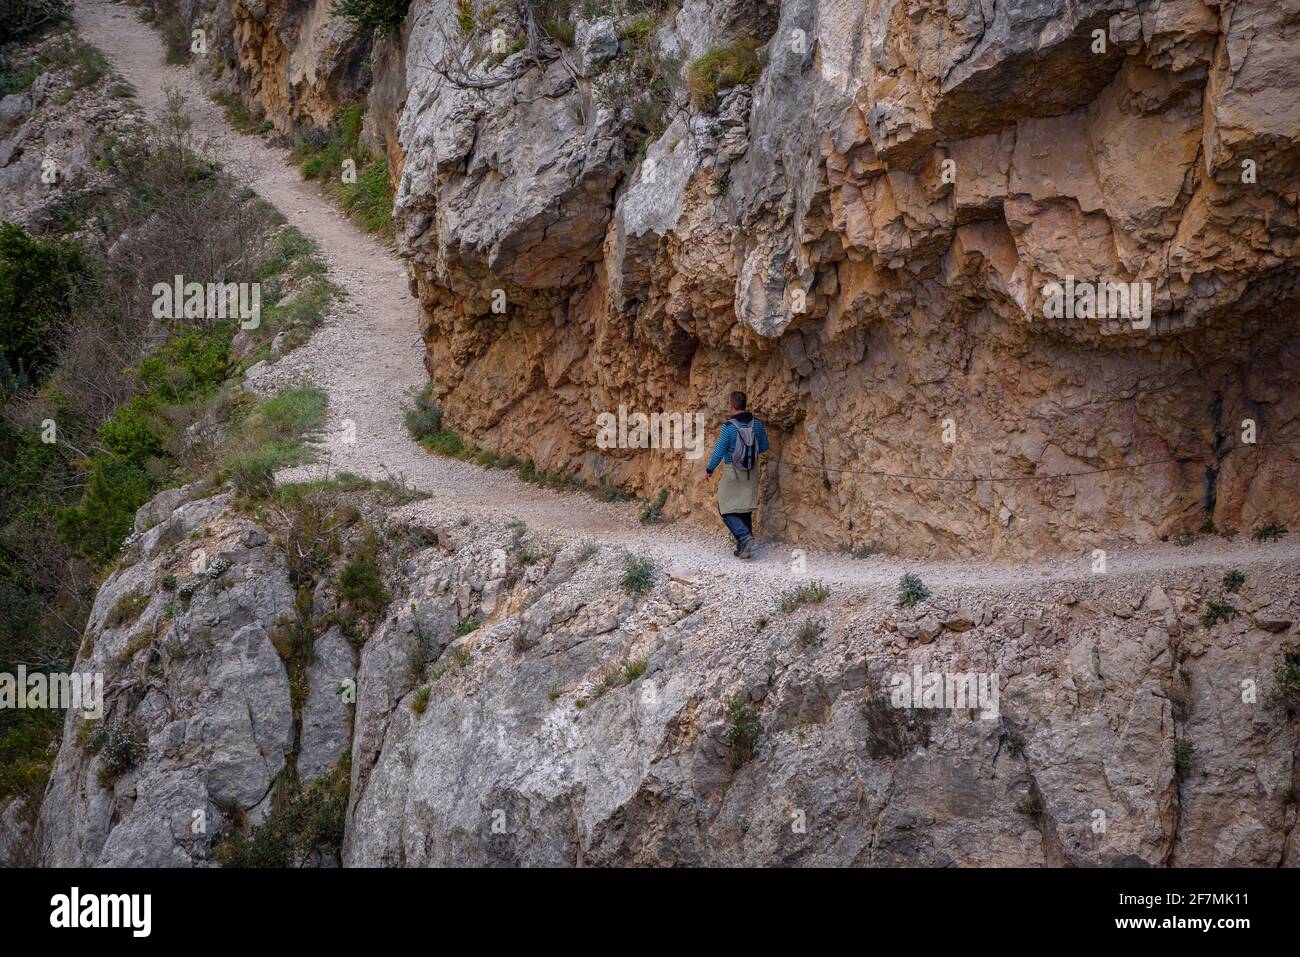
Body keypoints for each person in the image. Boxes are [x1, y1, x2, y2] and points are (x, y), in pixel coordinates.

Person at [705, 390, 769, 558]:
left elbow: (719, 451)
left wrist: (710, 468)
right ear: (744, 404)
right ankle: (744, 549)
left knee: (724, 507)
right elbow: (764, 446)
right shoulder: (757, 424)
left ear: (731, 405)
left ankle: (745, 537)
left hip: (732, 470)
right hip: (751, 471)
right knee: (744, 507)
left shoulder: (728, 427)